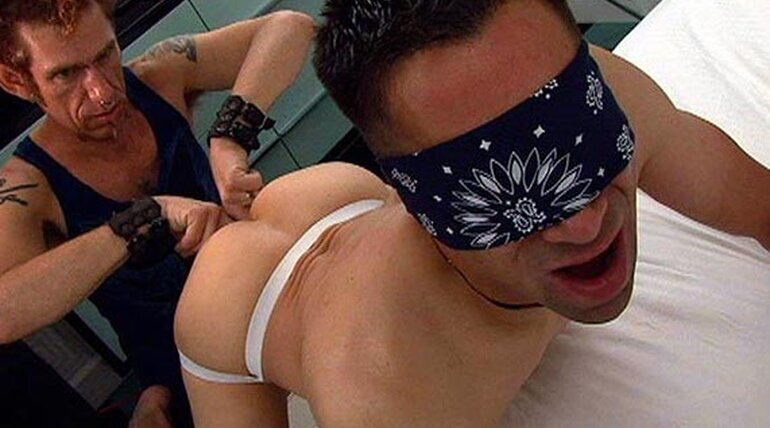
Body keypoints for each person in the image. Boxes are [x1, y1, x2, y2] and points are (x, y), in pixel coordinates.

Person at [174, 0, 770, 426]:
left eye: (583, 142)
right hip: (234, 306)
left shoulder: (606, 95)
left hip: (338, 195)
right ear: (421, 206)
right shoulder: (388, 394)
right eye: (495, 195)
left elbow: (759, 205)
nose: (585, 224)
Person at [0, 0, 315, 426]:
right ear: (17, 81)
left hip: (273, 303)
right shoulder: (31, 185)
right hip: (193, 379)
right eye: (66, 74)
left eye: (105, 55)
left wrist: (230, 138)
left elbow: (290, 27)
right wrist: (145, 219)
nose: (102, 92)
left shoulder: (159, 76)